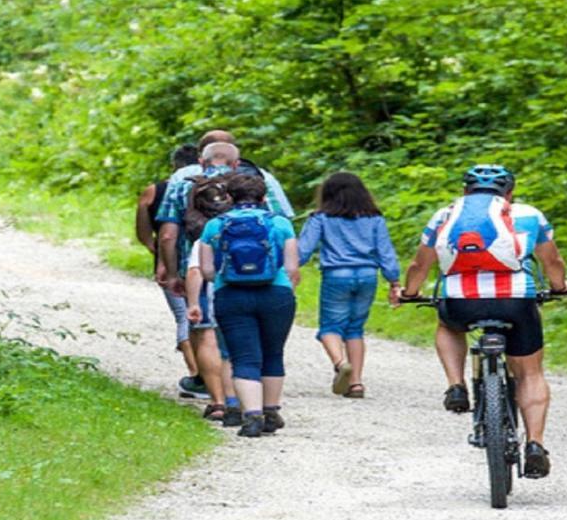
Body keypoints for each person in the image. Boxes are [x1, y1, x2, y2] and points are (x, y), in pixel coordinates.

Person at [394, 164, 567, 479]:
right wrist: (561, 287)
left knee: (448, 326)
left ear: (466, 192)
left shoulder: (444, 216)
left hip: (460, 304)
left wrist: (409, 292)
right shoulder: (530, 215)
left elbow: (419, 264)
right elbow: (552, 261)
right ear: (510, 193)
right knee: (530, 373)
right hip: (517, 302)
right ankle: (534, 444)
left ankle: (456, 386)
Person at [156, 142, 292, 424]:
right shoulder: (270, 201)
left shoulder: (185, 186)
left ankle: (226, 404)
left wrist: (172, 272)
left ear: (201, 162)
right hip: (271, 286)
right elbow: (289, 253)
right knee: (267, 350)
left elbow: (173, 238)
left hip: (218, 283)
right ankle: (264, 409)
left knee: (218, 341)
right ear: (236, 163)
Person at [186, 174, 299, 438]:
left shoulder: (214, 225)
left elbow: (207, 271)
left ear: (230, 197)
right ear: (263, 198)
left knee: (243, 358)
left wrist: (231, 277)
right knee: (273, 353)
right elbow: (293, 267)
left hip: (232, 295)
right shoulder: (280, 223)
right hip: (276, 293)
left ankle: (251, 417)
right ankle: (271, 411)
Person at [297, 172, 400, 399]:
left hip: (337, 275)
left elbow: (302, 252)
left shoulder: (320, 218)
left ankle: (340, 363)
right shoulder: (374, 218)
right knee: (355, 328)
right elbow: (386, 253)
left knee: (330, 327)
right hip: (367, 276)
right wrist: (394, 281)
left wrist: (289, 267)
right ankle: (356, 383)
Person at [135, 143, 203, 396]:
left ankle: (196, 374)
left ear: (174, 165)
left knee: (183, 315)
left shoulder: (155, 190)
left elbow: (144, 230)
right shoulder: (213, 187)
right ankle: (212, 375)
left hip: (171, 258)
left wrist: (155, 250)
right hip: (207, 260)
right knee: (204, 315)